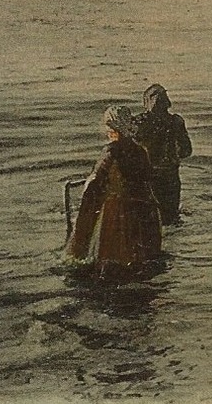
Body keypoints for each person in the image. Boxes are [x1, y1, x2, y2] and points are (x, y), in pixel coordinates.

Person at [65, 106, 163, 279]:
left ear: (111, 127)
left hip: (118, 211)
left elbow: (95, 182)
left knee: (112, 260)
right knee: (138, 258)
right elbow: (148, 177)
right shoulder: (140, 151)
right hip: (141, 208)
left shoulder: (110, 151)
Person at [133, 83, 193, 226]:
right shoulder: (176, 121)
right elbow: (186, 150)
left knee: (148, 221)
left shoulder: (140, 122)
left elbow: (129, 151)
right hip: (171, 177)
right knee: (171, 219)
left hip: (148, 178)